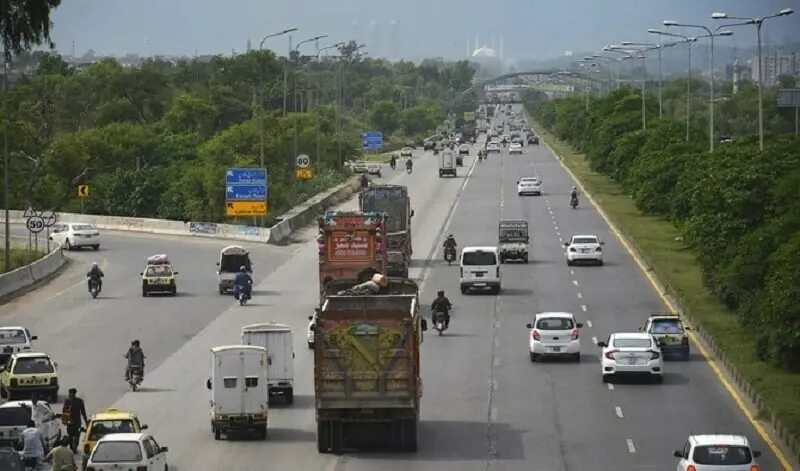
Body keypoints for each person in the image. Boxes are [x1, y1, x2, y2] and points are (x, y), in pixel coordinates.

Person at [61, 388, 88, 453]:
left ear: (74, 393)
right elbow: (64, 411)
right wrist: (64, 420)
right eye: (70, 393)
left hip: (76, 422)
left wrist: (86, 422)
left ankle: (74, 446)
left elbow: (83, 412)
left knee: (77, 435)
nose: (70, 394)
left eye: (71, 393)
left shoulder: (78, 401)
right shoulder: (68, 401)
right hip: (70, 422)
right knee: (71, 435)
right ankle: (72, 447)